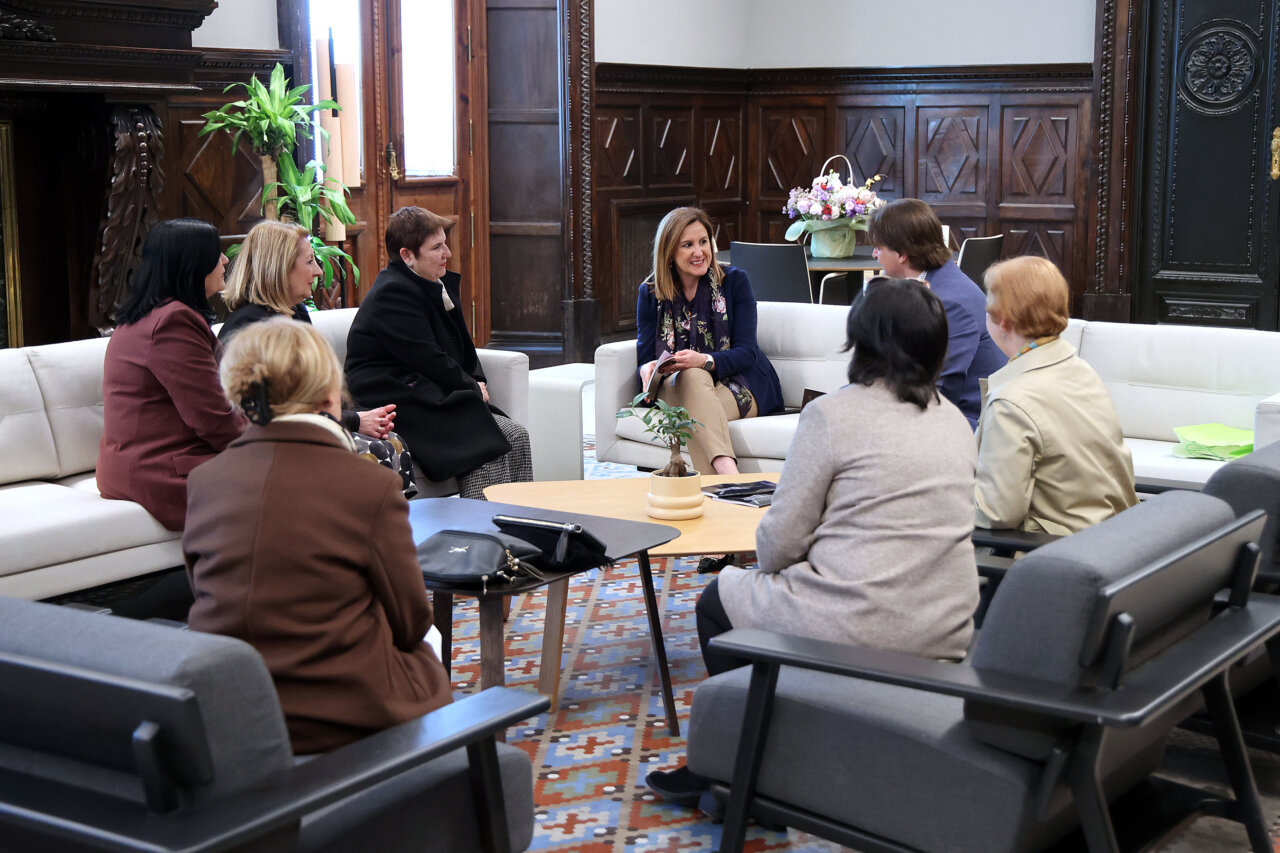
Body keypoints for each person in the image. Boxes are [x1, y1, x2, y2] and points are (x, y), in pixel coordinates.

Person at [647, 278, 980, 807]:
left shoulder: (832, 415)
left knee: (719, 599)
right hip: (946, 623)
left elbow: (777, 547)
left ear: (863, 343)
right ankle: (763, 761)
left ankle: (744, 775)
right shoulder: (955, 422)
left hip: (863, 624)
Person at [183, 318, 451, 753]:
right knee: (429, 647)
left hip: (231, 711)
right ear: (330, 394)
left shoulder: (204, 481)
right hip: (342, 718)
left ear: (240, 395)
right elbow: (412, 622)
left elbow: (203, 591)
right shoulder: (370, 486)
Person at [345, 206, 531, 500]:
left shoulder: (427, 283)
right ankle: (481, 537)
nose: (448, 253)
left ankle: (521, 533)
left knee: (517, 436)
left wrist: (474, 381)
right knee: (483, 445)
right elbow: (427, 357)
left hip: (426, 391)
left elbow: (459, 348)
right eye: (436, 247)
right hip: (396, 398)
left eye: (445, 243)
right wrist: (471, 387)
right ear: (407, 256)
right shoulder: (393, 292)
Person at [218, 219, 414, 496]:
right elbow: (275, 407)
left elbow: (317, 388)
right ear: (280, 266)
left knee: (395, 442)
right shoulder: (248, 327)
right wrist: (355, 421)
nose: (319, 271)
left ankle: (390, 535)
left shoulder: (295, 312)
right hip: (274, 438)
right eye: (309, 261)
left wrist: (356, 417)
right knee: (377, 450)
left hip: (314, 425)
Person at [98, 218, 245, 532]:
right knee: (295, 479)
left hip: (141, 465)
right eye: (215, 252)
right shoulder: (173, 322)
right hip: (162, 472)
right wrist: (271, 443)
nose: (225, 260)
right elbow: (213, 417)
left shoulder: (148, 314)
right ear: (191, 263)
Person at [975, 255, 1137, 534]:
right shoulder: (1080, 368)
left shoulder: (1012, 401)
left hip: (1053, 559)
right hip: (1117, 541)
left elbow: (996, 514)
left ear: (1003, 321)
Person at [635, 207, 783, 477]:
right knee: (690, 378)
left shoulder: (735, 281)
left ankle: (725, 477)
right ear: (669, 252)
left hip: (739, 384)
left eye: (703, 242)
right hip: (675, 387)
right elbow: (644, 357)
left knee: (693, 378)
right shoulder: (650, 294)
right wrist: (647, 368)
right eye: (687, 245)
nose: (699, 252)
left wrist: (704, 361)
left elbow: (747, 352)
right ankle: (732, 481)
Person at [866, 198, 1005, 427]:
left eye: (878, 248)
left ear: (901, 254)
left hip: (966, 423)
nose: (874, 254)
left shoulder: (951, 302)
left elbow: (940, 389)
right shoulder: (933, 283)